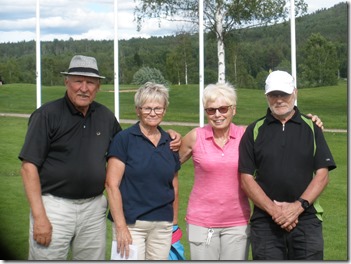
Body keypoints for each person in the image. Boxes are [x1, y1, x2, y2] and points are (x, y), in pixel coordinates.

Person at [18, 55, 181, 260]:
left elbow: (136, 144)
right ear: (66, 81)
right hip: (54, 207)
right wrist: (39, 215)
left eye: (90, 82)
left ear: (98, 87)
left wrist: (168, 135)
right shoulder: (47, 115)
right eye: (78, 80)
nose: (84, 88)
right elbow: (28, 167)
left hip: (94, 208)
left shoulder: (105, 117)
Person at [238, 70, 336, 260]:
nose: (279, 99)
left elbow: (322, 175)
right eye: (274, 94)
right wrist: (276, 212)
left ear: (295, 93)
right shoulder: (254, 130)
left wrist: (296, 208)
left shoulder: (312, 127)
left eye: (284, 94)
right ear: (266, 96)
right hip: (265, 221)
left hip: (306, 219)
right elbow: (246, 179)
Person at [105, 82, 181, 260]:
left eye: (158, 108)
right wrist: (120, 226)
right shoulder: (124, 139)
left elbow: (174, 185)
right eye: (147, 108)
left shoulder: (169, 142)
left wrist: (174, 222)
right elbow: (111, 185)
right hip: (132, 224)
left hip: (162, 224)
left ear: (164, 110)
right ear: (138, 110)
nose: (153, 113)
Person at [179, 83, 251, 260]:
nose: (217, 115)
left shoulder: (245, 136)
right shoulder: (195, 136)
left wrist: (312, 121)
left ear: (233, 110)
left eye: (223, 109)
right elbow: (167, 165)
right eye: (211, 110)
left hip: (237, 222)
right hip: (201, 222)